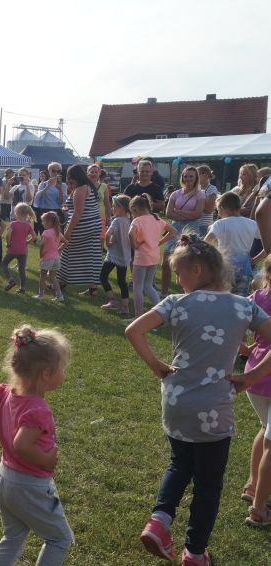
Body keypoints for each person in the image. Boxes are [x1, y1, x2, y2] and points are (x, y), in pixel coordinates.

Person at [126, 237, 271, 565]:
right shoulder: (243, 306)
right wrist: (251, 377)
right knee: (208, 483)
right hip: (215, 409)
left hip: (177, 402)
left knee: (179, 463)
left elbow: (134, 330)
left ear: (196, 270)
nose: (178, 280)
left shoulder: (175, 303)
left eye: (179, 273)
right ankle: (194, 552)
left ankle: (159, 520)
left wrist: (156, 365)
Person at [0, 325, 74, 565]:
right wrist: (47, 460)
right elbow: (21, 445)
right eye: (62, 368)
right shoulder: (38, 409)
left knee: (12, 537)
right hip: (29, 485)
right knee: (59, 539)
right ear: (46, 374)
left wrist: (5, 428)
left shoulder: (6, 393)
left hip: (4, 478)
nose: (64, 373)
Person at [238, 257, 271, 527]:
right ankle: (259, 508)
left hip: (254, 377)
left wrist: (243, 344)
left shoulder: (257, 297)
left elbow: (235, 317)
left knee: (264, 428)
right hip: (264, 374)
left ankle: (252, 485)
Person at [129, 195, 177, 318]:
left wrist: (135, 244)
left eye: (132, 212)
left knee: (137, 287)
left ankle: (138, 316)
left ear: (135, 209)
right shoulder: (157, 219)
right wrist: (160, 242)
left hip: (141, 258)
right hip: (154, 257)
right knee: (148, 286)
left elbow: (130, 233)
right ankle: (161, 313)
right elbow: (173, 231)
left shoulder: (137, 221)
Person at [58, 164, 102, 296]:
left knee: (67, 252)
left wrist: (68, 231)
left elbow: (78, 212)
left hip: (83, 227)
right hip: (93, 225)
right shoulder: (89, 186)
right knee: (91, 256)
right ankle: (92, 287)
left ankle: (61, 282)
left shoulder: (81, 189)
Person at [161, 166, 205, 296]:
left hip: (191, 230)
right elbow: (168, 213)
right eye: (186, 176)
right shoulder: (175, 194)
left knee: (188, 262)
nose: (188, 179)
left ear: (196, 178)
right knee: (166, 262)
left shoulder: (200, 194)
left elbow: (197, 214)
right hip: (175, 229)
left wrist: (178, 212)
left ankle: (186, 291)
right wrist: (187, 214)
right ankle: (164, 292)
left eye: (191, 176)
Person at [204, 192, 259, 296]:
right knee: (241, 297)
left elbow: (207, 241)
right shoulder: (252, 224)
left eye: (218, 210)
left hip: (225, 266)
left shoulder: (220, 224)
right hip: (244, 267)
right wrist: (257, 258)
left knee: (222, 296)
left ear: (223, 208)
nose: (219, 214)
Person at [100, 195, 132, 317]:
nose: (112, 209)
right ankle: (125, 307)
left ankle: (112, 300)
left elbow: (108, 234)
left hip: (113, 255)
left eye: (114, 207)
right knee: (121, 281)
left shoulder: (117, 221)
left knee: (103, 276)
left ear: (122, 208)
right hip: (124, 255)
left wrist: (108, 244)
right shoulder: (129, 220)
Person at [1, 203, 37, 295]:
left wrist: (8, 244)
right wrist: (27, 242)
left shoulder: (13, 224)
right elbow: (34, 237)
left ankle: (11, 280)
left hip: (13, 249)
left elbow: (8, 235)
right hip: (23, 251)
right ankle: (22, 288)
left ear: (17, 213)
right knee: (22, 269)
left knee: (4, 264)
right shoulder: (28, 225)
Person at [35, 211, 66, 302]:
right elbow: (66, 242)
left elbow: (42, 245)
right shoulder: (58, 232)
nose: (42, 223)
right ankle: (59, 296)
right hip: (56, 258)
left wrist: (41, 254)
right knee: (53, 277)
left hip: (47, 258)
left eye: (44, 221)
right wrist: (59, 249)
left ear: (50, 222)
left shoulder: (46, 232)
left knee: (42, 276)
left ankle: (41, 295)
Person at [34, 163, 67, 236]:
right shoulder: (43, 184)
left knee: (57, 235)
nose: (56, 173)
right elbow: (37, 197)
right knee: (45, 235)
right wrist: (47, 186)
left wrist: (59, 189)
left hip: (57, 212)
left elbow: (62, 202)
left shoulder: (63, 185)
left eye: (58, 171)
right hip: (44, 212)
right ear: (49, 172)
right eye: (53, 171)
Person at [196, 165, 218, 234]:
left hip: (204, 226)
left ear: (205, 175)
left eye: (197, 175)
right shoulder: (195, 188)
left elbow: (209, 210)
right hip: (193, 224)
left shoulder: (212, 189)